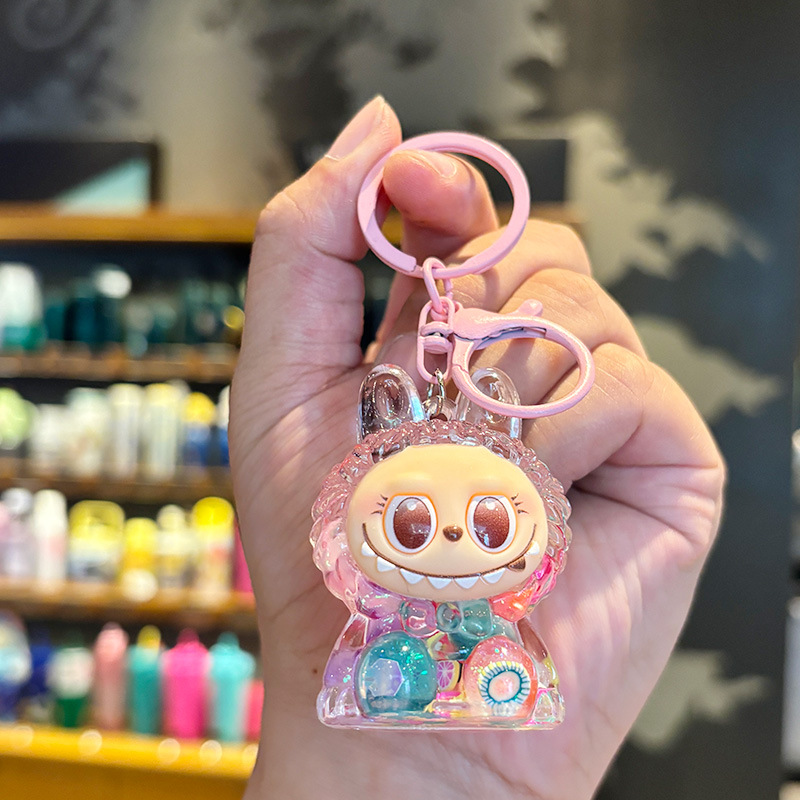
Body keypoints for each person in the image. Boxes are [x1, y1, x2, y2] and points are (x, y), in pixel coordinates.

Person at [231, 96, 725, 800]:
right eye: (411, 524)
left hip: (492, 666)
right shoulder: (367, 608)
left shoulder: (506, 614)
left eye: (491, 523)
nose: (455, 539)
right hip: (386, 668)